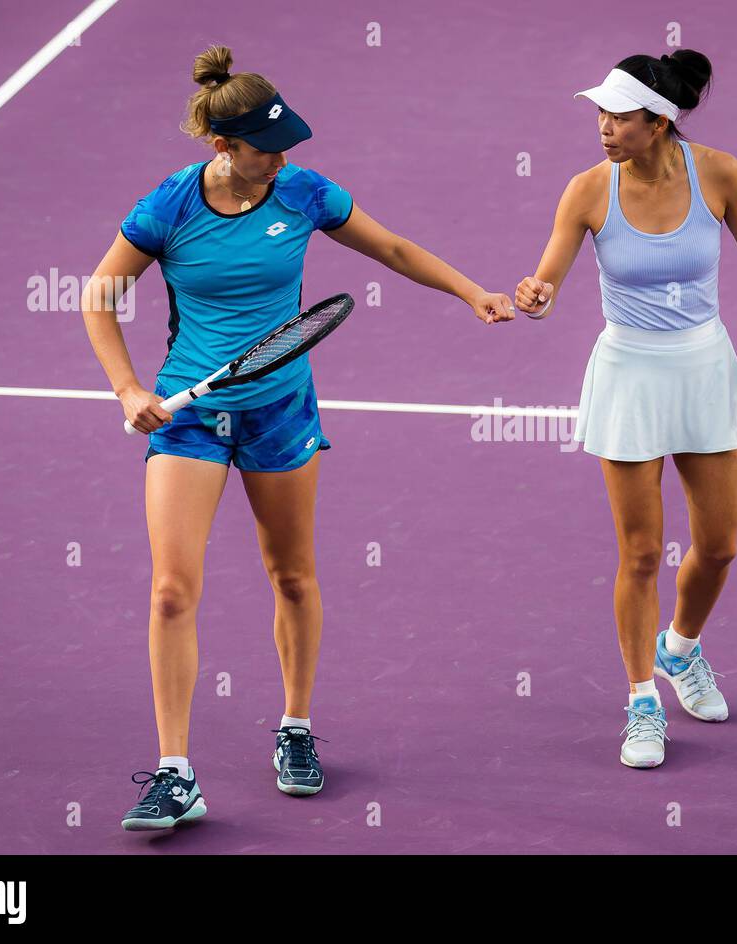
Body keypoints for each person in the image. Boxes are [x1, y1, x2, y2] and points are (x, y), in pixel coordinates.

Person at [81, 45, 514, 830]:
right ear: (222, 146)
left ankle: (296, 728)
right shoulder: (169, 207)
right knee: (172, 589)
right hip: (192, 417)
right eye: (265, 149)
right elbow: (98, 297)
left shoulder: (305, 193)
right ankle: (176, 773)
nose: (281, 160)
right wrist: (128, 387)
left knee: (292, 576)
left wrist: (470, 291)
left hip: (281, 407)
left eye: (285, 146)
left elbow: (392, 249)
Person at [514, 50, 737, 768]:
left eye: (619, 116)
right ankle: (642, 700)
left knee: (721, 543)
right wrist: (536, 298)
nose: (604, 127)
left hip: (705, 368)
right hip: (630, 375)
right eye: (600, 114)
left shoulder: (720, 173)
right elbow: (548, 275)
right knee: (639, 553)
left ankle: (680, 648)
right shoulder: (586, 190)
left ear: (660, 122)